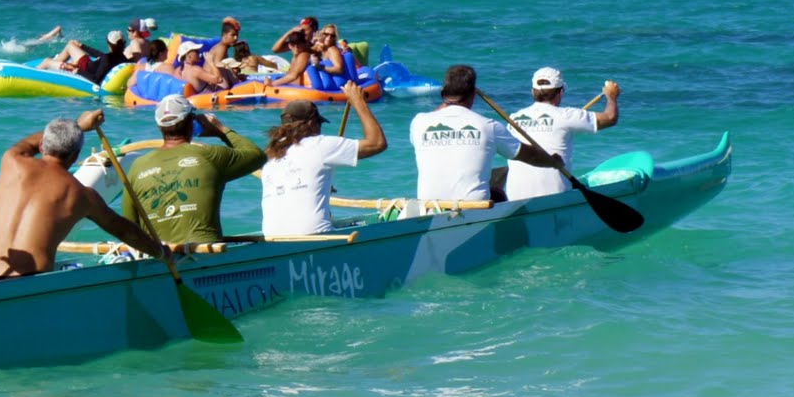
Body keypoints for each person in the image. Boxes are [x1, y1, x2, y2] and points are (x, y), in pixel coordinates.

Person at [0, 110, 165, 281]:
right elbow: (124, 231)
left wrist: (79, 125)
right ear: (75, 156)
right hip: (32, 286)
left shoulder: (12, 160)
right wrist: (160, 252)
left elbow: (28, 144)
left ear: (42, 145)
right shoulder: (81, 195)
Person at [123, 94, 266, 244]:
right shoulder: (210, 155)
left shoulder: (137, 166)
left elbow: (129, 225)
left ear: (160, 127)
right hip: (205, 255)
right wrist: (221, 131)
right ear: (192, 122)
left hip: (157, 258)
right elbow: (257, 156)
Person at [409, 65, 563, 201]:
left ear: (443, 92)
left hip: (431, 206)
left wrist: (446, 102)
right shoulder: (489, 126)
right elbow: (532, 156)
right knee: (498, 193)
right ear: (474, 94)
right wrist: (552, 161)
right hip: (474, 207)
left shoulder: (418, 122)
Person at [260, 82, 387, 234]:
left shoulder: (270, 153)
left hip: (272, 238)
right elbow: (377, 143)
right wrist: (358, 101)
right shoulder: (319, 144)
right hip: (314, 237)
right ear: (312, 123)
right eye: (319, 123)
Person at [504, 68, 622, 201]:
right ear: (561, 92)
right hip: (555, 196)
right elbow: (610, 118)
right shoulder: (566, 115)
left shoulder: (513, 119)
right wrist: (611, 96)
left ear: (533, 92)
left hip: (515, 198)